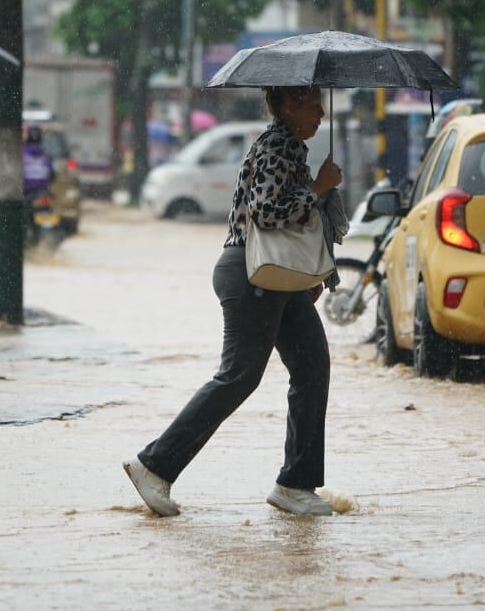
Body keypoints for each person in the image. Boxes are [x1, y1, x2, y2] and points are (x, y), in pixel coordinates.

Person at [124, 85, 343, 517]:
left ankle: (295, 484)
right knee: (239, 376)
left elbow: (289, 228)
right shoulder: (277, 145)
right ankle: (154, 465)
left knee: (312, 365)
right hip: (252, 274)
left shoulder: (291, 148)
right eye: (314, 104)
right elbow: (267, 213)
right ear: (291, 104)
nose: (321, 113)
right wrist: (318, 187)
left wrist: (307, 275)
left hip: (276, 276)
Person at [22, 124, 54, 198]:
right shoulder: (45, 155)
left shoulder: (22, 153)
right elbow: (52, 174)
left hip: (25, 192)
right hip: (42, 192)